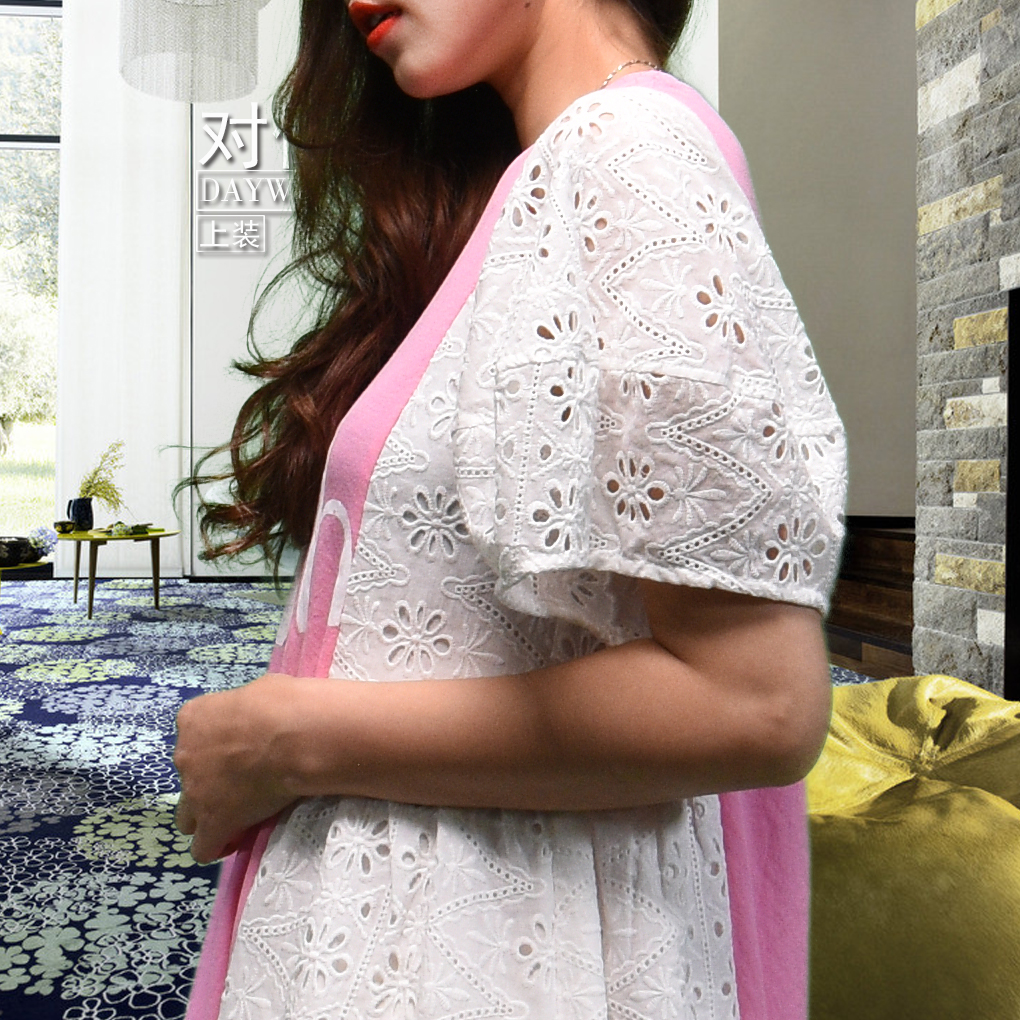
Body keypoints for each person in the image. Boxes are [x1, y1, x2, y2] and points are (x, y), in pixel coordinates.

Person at [174, 0, 847, 1016]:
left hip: (494, 946)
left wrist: (288, 739)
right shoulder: (543, 177)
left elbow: (755, 705)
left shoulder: (628, 148)